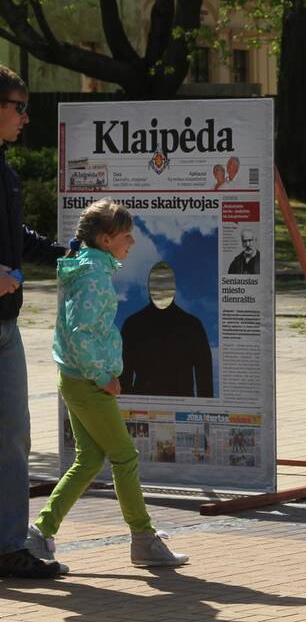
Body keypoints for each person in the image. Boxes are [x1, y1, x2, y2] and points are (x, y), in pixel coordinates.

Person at [26, 199, 188, 569]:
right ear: (105, 240)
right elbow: (81, 333)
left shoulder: (89, 268)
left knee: (89, 459)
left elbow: (81, 331)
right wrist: (102, 376)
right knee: (125, 456)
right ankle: (143, 539)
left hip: (76, 377)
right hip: (87, 381)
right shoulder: (93, 278)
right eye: (126, 236)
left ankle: (41, 531)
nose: (132, 242)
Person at [0, 66, 73, 579]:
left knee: (13, 436)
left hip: (6, 325)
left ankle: (8, 547)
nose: (26, 118)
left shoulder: (5, 171)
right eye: (19, 107)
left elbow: (15, 236)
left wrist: (69, 253)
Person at [120, 262, 215, 398]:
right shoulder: (192, 325)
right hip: (150, 404)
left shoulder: (132, 324)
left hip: (166, 403)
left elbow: (204, 377)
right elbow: (124, 375)